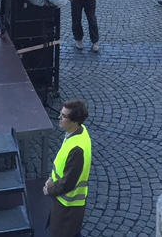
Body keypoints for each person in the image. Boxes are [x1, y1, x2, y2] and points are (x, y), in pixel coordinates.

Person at [43, 99, 92, 237]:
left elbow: (68, 183)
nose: (59, 117)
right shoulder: (78, 133)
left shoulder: (76, 149)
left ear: (74, 122)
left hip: (68, 206)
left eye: (64, 116)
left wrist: (49, 189)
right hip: (67, 204)